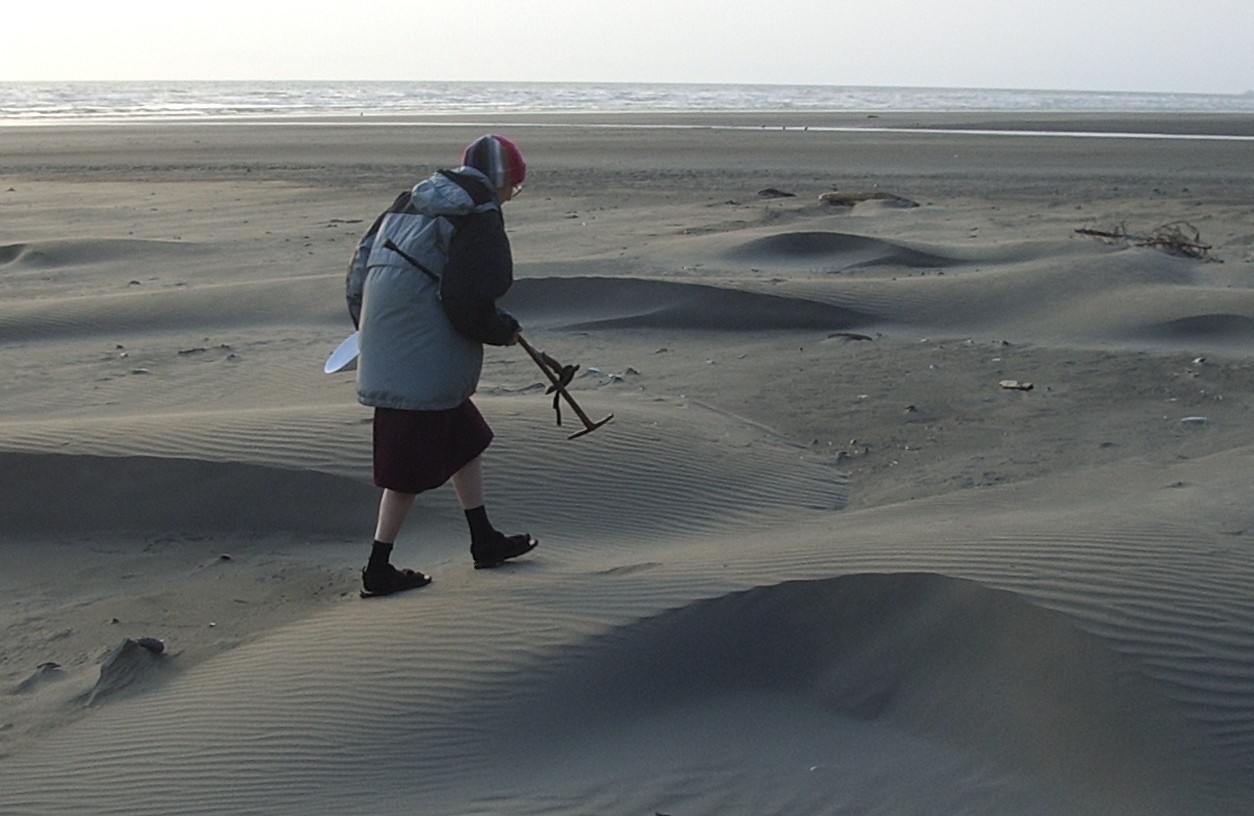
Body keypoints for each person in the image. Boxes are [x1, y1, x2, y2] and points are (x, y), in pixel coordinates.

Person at [345, 134, 537, 598]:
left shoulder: (408, 202)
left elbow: (357, 275)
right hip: (421, 351)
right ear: (501, 179)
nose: (511, 196)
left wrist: (372, 331)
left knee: (465, 440)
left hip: (393, 338)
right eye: (513, 186)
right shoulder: (477, 214)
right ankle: (378, 568)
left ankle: (483, 539)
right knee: (404, 470)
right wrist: (500, 329)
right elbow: (468, 298)